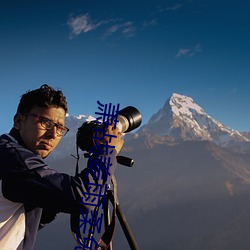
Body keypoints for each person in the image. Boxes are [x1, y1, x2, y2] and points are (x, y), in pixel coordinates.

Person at [0, 84, 124, 250]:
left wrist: (54, 198)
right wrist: (107, 153)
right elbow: (84, 198)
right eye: (45, 122)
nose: (53, 134)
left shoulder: (11, 154)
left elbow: (23, 223)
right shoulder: (14, 159)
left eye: (59, 128)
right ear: (19, 121)